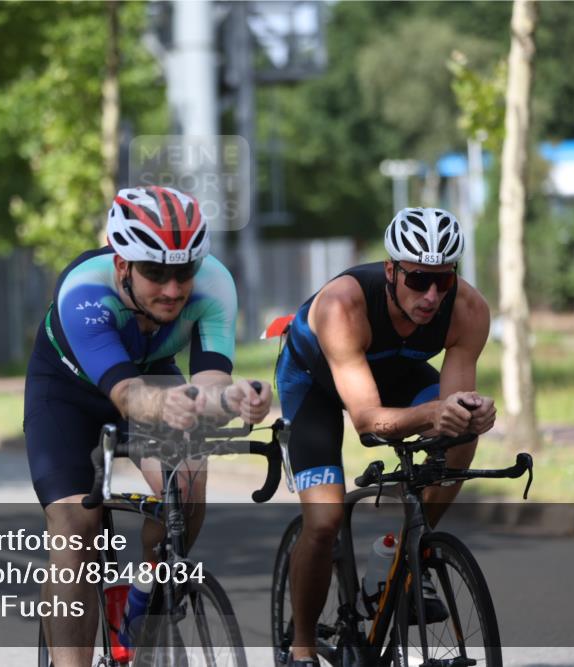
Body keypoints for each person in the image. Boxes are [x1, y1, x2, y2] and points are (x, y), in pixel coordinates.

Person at [24, 185, 273, 667]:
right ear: (123, 267)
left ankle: (146, 595)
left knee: (188, 486)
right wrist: (182, 403)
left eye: (183, 273)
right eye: (156, 274)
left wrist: (235, 397)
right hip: (68, 392)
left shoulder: (215, 285)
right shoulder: (84, 291)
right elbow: (128, 396)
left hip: (153, 379)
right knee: (76, 528)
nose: (174, 290)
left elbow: (211, 385)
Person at [274, 207, 497, 666]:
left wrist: (468, 414)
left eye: (444, 279)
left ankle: (404, 555)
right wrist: (432, 411)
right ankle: (301, 648)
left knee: (461, 435)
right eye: (418, 280)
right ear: (392, 270)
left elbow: (448, 412)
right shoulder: (343, 304)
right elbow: (367, 421)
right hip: (314, 382)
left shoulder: (469, 310)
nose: (432, 295)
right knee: (324, 523)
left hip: (396, 374)